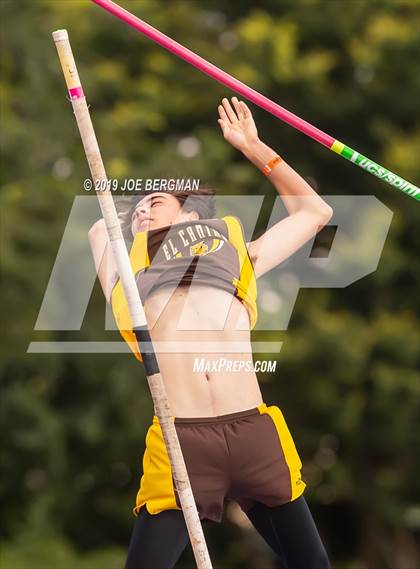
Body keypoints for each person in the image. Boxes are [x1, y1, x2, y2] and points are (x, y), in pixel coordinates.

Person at [88, 97, 333, 569]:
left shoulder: (239, 257)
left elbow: (313, 213)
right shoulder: (126, 271)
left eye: (154, 204)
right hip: (181, 443)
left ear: (193, 217)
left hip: (254, 434)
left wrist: (256, 148)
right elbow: (102, 227)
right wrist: (143, 204)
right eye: (136, 209)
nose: (140, 212)